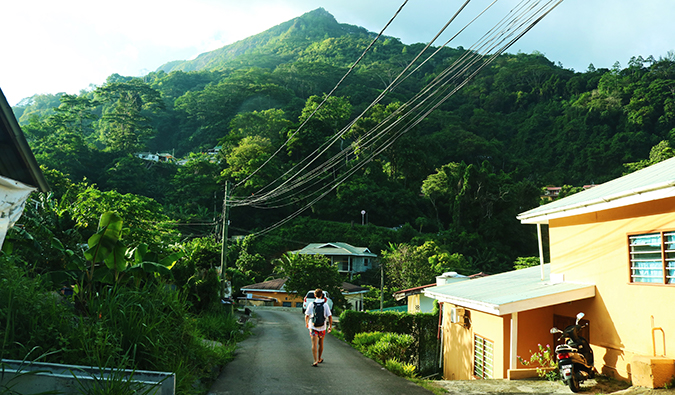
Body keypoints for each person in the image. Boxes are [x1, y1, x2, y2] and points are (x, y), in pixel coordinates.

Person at [304, 288, 333, 367]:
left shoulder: (311, 304)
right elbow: (330, 317)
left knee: (314, 344)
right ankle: (320, 358)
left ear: (314, 295)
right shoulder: (325, 304)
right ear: (322, 295)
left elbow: (306, 315)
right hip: (322, 327)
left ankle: (315, 360)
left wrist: (306, 323)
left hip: (313, 326)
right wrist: (330, 327)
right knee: (321, 343)